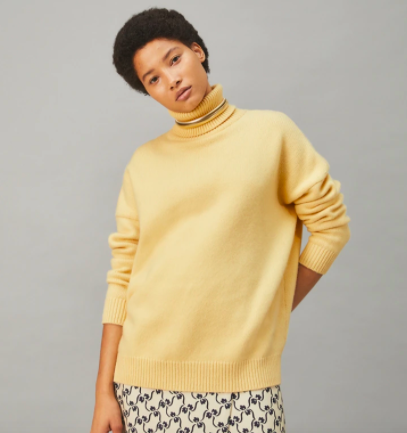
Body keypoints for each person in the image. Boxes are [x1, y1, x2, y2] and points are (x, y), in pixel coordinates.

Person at [90, 7, 351, 433]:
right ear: (148, 92)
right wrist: (103, 392)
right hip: (142, 384)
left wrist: (272, 307)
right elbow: (122, 279)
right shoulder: (144, 162)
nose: (171, 79)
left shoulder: (272, 134)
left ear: (198, 52)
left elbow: (331, 227)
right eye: (153, 79)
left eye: (174, 59)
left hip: (243, 384)